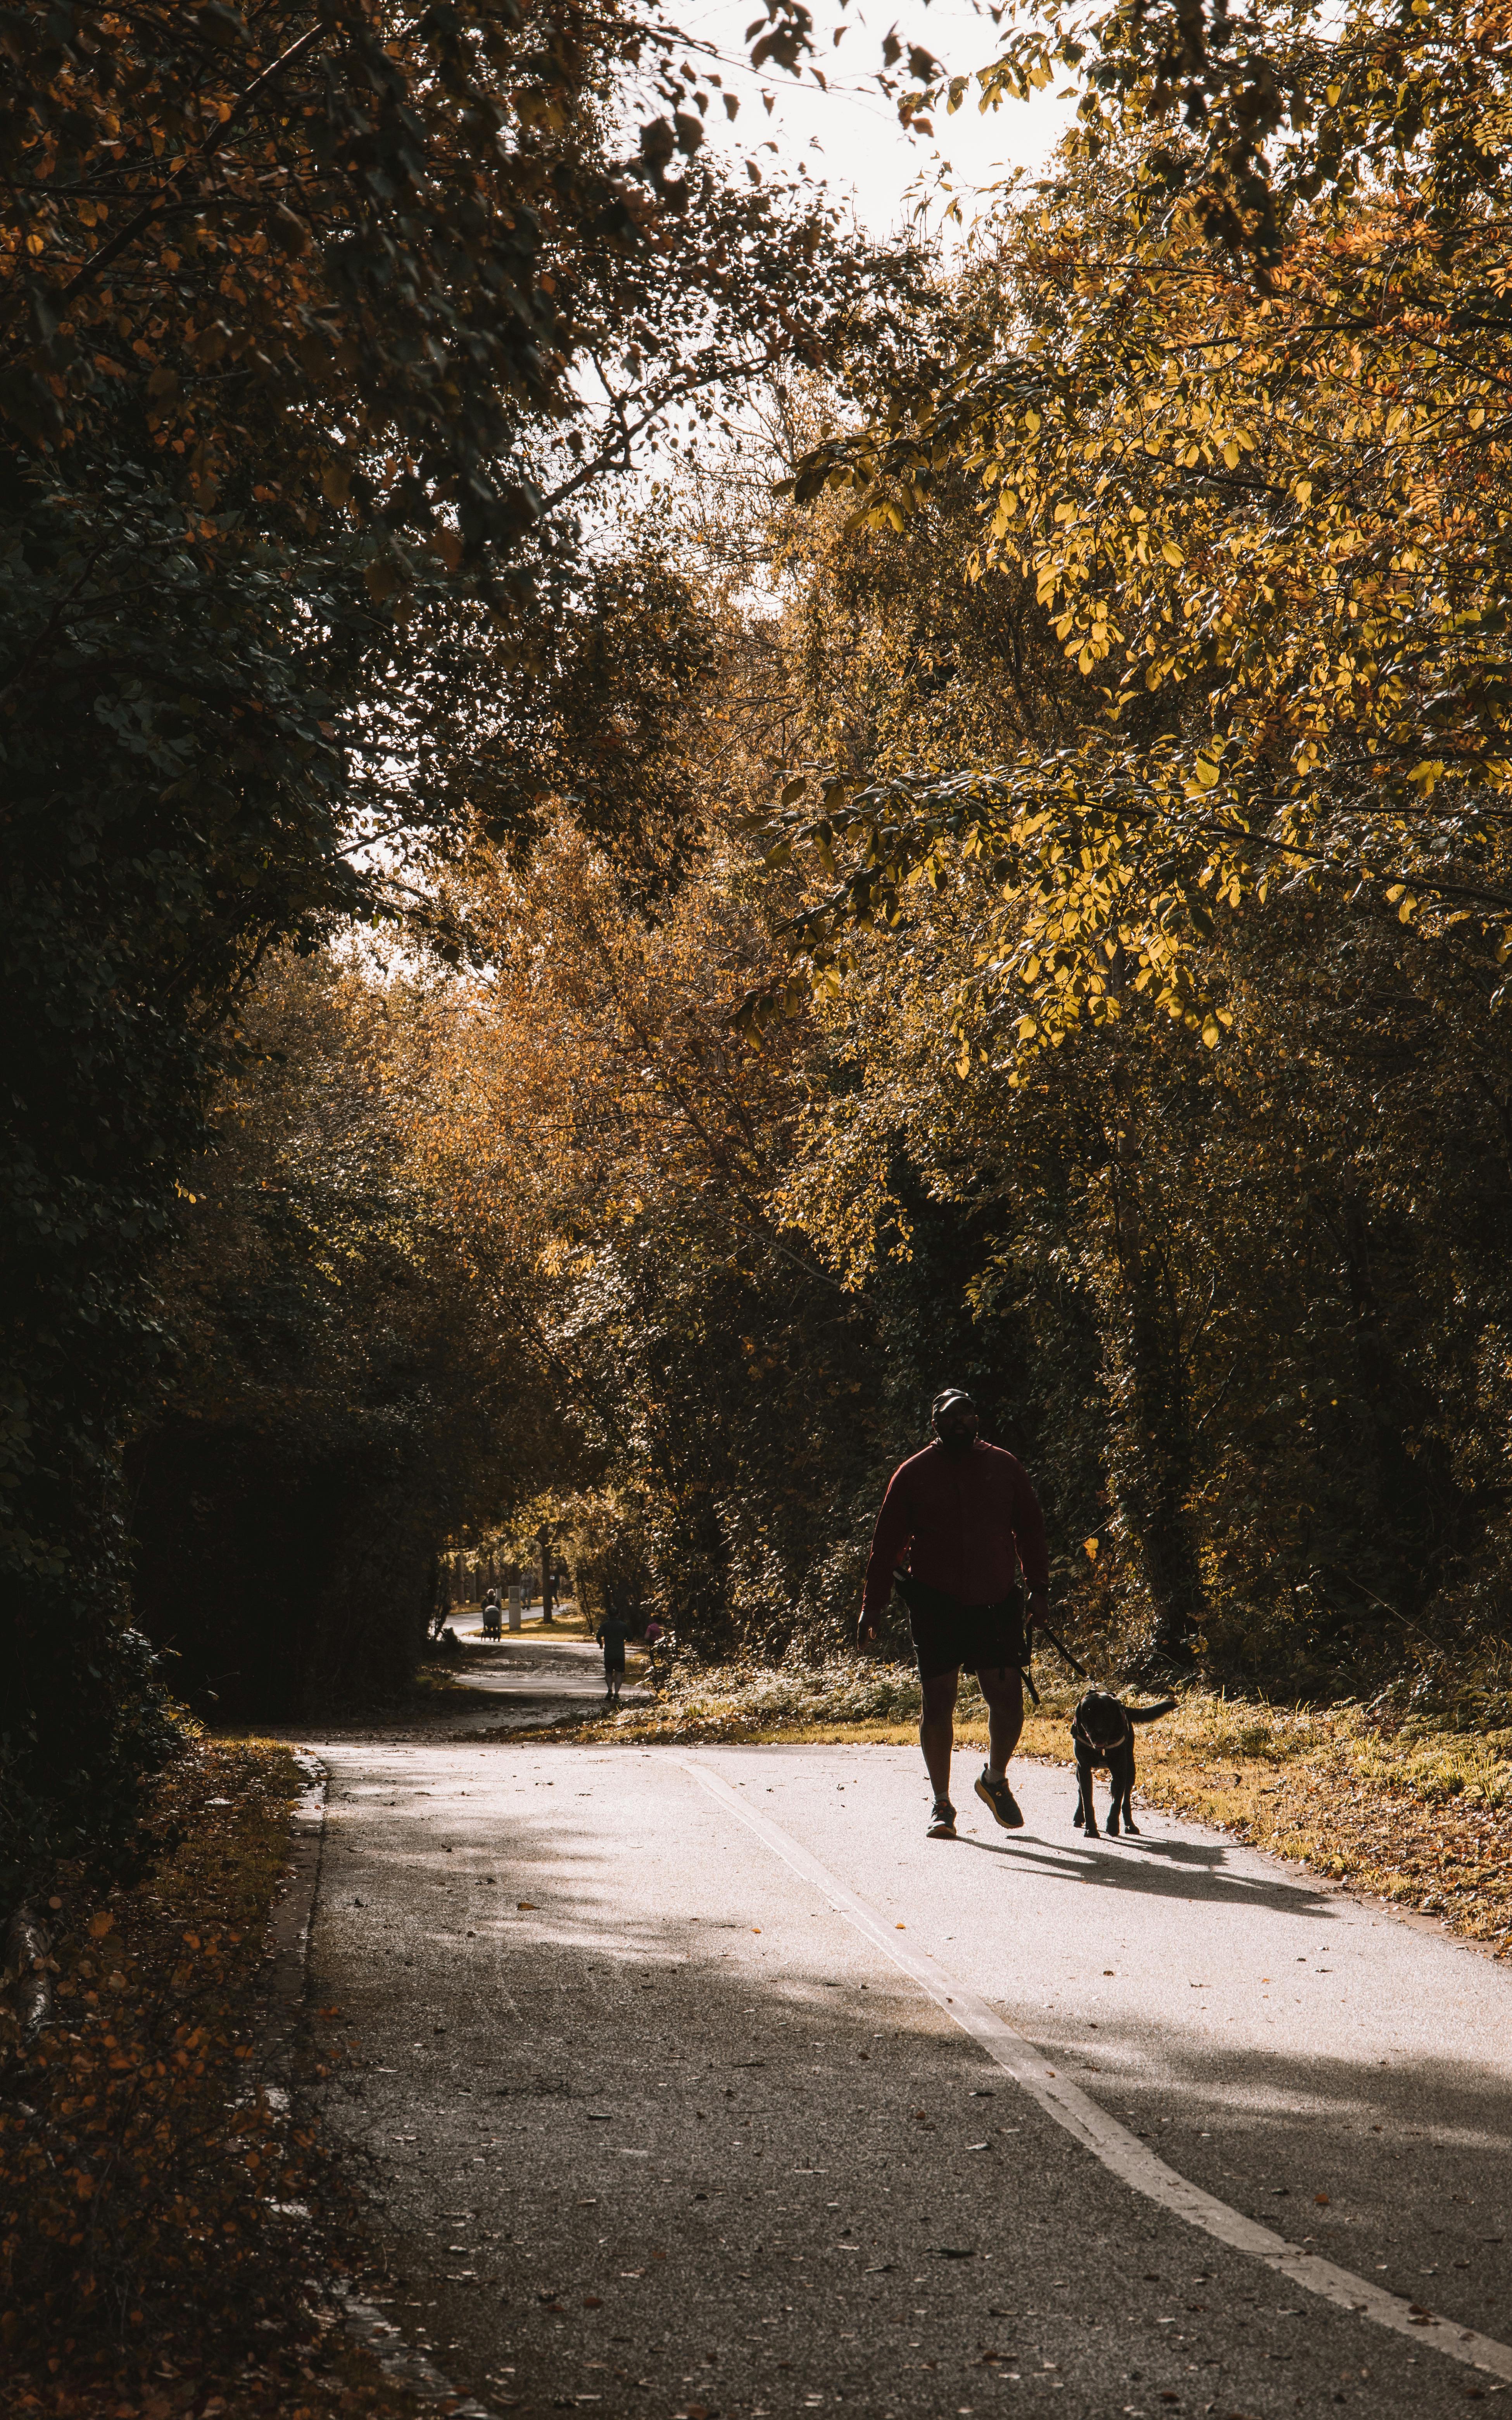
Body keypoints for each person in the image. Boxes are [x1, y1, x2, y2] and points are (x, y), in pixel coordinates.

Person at [858, 1386, 1049, 1840]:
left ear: (978, 1421)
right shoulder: (913, 1474)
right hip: (936, 1603)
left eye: (967, 1415)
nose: (960, 1423)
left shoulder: (1005, 1467)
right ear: (935, 1425)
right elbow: (886, 1545)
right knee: (937, 1702)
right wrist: (872, 1605)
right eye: (950, 1417)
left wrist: (1039, 1591)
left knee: (1008, 1704)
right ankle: (942, 1805)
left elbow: (1031, 1530)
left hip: (996, 1601)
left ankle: (994, 1779)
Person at [596, 1605, 633, 1704]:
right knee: (619, 1673)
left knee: (609, 1672)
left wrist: (601, 1645)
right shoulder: (623, 1625)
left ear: (609, 1615)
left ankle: (609, 1690)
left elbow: (599, 1636)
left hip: (609, 1653)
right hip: (620, 1653)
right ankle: (617, 1693)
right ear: (618, 1614)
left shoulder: (605, 1625)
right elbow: (630, 1638)